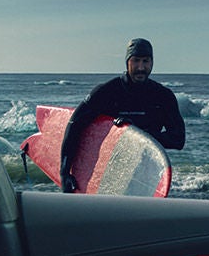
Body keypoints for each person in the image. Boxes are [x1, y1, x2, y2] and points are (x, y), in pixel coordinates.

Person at [60, 37, 186, 192]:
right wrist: (65, 173)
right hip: (110, 172)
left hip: (146, 175)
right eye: (136, 61)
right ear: (127, 62)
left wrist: (136, 135)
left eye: (146, 61)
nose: (141, 67)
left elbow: (178, 139)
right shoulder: (107, 92)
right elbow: (75, 125)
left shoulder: (163, 96)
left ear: (152, 63)